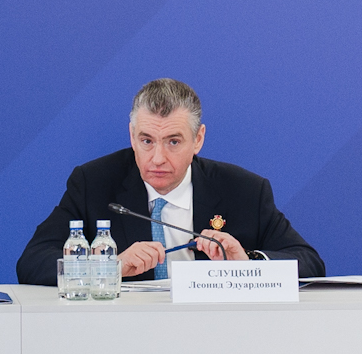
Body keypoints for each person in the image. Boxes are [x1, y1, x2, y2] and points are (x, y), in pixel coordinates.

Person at [17, 78, 323, 284]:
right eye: (147, 141)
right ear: (132, 137)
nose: (158, 158)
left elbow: (309, 263)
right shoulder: (93, 183)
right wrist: (109, 268)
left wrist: (247, 263)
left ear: (198, 139)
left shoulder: (244, 190)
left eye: (173, 142)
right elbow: (33, 262)